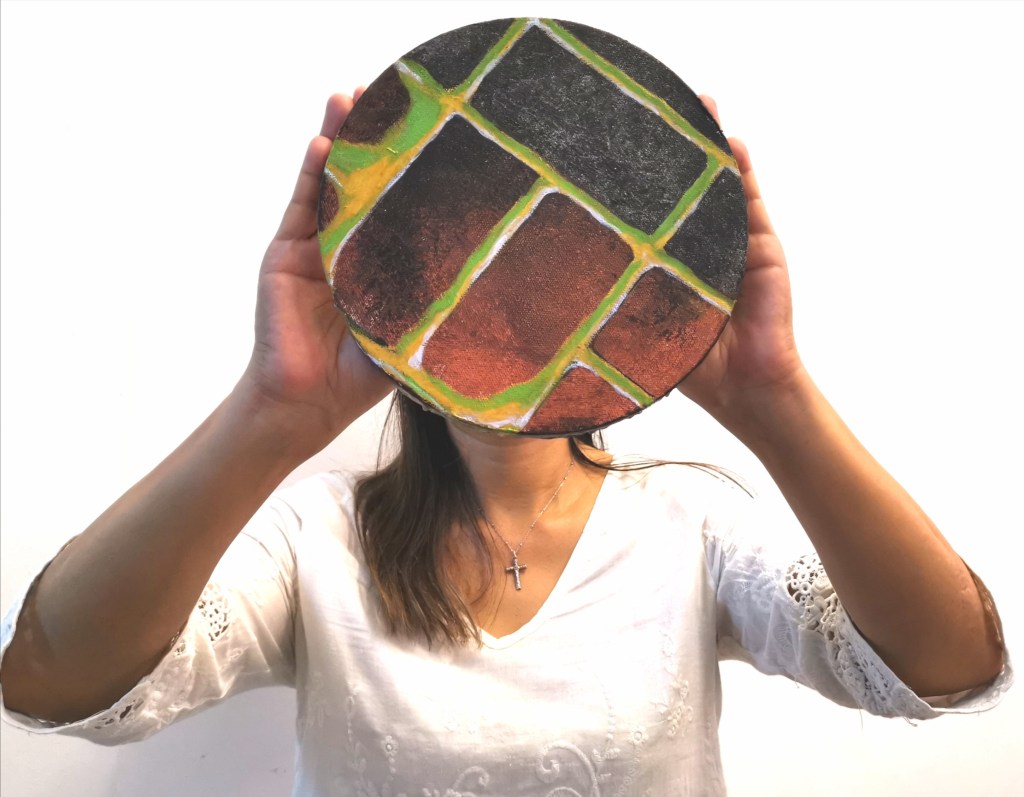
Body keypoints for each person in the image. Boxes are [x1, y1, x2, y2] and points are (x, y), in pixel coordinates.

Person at [0, 92, 1010, 796]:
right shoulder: (317, 536)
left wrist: (775, 398)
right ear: (400, 291)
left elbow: (947, 665)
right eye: (471, 263)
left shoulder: (692, 523)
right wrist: (271, 411)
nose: (507, 305)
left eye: (550, 267)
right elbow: (53, 679)